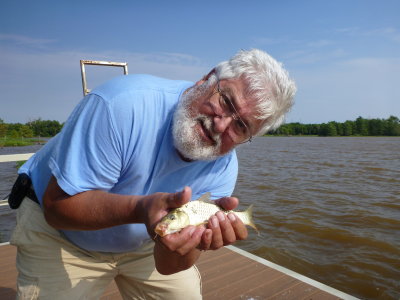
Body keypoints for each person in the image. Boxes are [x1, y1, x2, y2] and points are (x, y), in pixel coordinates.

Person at [10, 49, 296, 299]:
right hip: (61, 234)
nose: (221, 127)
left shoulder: (223, 167)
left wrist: (179, 246)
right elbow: (57, 209)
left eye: (242, 127)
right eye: (226, 102)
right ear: (208, 79)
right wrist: (142, 209)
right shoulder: (121, 105)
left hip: (145, 240)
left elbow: (169, 267)